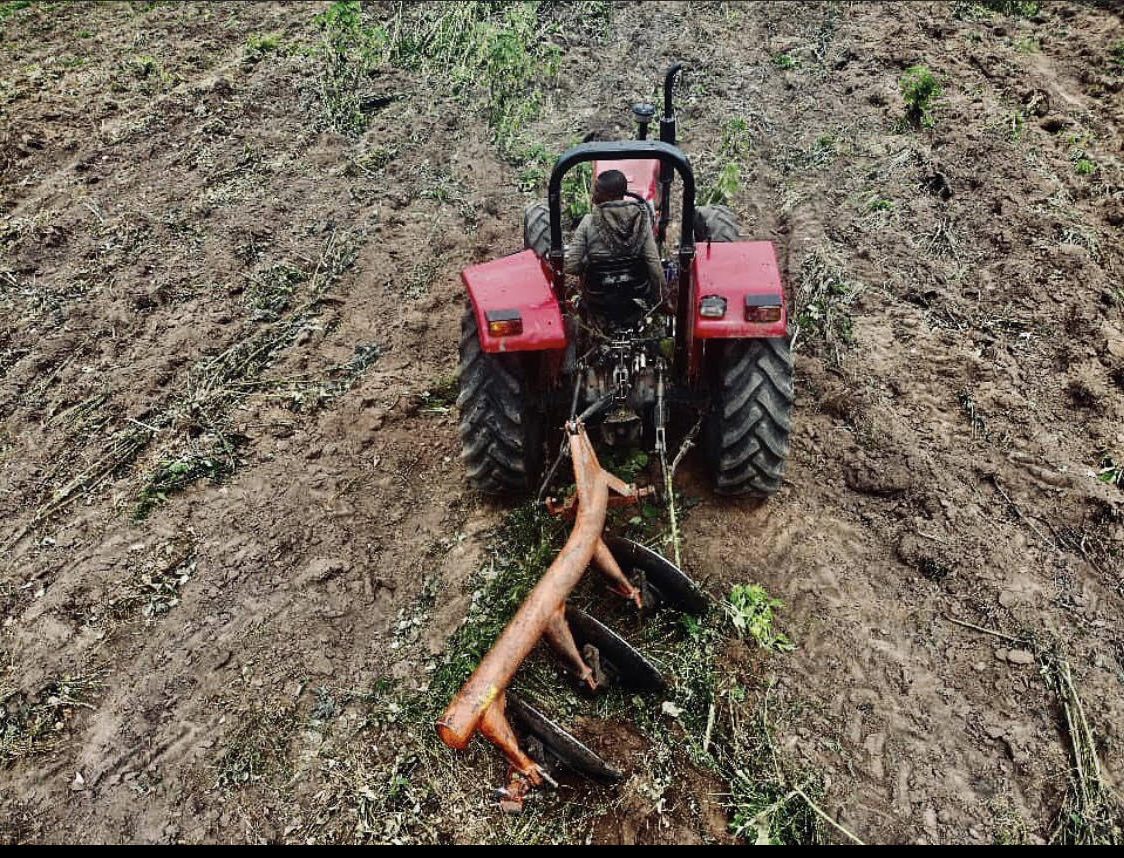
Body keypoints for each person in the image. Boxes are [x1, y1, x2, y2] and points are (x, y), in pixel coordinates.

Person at [563, 169, 667, 303]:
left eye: (597, 190)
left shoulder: (588, 221)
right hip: (635, 294)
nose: (593, 194)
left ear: (608, 194)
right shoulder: (641, 219)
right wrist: (662, 298)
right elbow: (653, 262)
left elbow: (573, 266)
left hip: (598, 297)